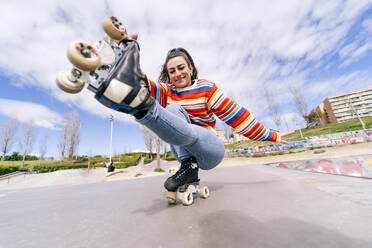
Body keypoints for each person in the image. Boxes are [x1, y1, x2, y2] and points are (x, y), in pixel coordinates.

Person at [94, 35, 289, 192]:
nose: (177, 74)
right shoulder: (167, 91)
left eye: (181, 68)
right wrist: (126, 56)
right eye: (172, 71)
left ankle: (144, 109)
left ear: (190, 68)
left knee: (167, 108)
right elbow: (144, 81)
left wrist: (272, 135)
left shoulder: (206, 89)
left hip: (209, 151)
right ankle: (188, 168)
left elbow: (237, 116)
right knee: (168, 106)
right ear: (168, 75)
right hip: (186, 155)